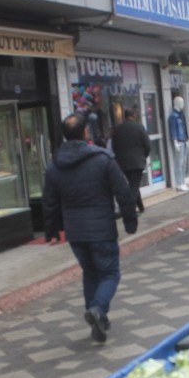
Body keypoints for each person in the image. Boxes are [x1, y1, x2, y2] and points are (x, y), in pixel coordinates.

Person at [43, 113, 137, 343]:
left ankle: (98, 321)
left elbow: (49, 201)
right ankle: (98, 310)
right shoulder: (103, 159)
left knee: (90, 273)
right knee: (109, 273)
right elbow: (123, 192)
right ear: (86, 133)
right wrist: (129, 221)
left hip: (76, 233)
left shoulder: (54, 166)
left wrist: (52, 231)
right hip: (102, 229)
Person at [110, 109, 151, 213]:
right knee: (134, 185)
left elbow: (114, 146)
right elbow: (147, 145)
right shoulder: (139, 127)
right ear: (133, 115)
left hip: (123, 162)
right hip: (137, 162)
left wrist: (119, 158)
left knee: (133, 184)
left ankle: (140, 206)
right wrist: (143, 156)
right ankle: (130, 210)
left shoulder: (117, 129)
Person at [168, 96, 189, 190]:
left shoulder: (181, 115)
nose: (183, 105)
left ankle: (183, 182)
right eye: (182, 102)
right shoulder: (173, 116)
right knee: (179, 163)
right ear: (176, 103)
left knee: (184, 162)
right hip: (179, 142)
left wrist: (187, 139)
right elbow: (172, 129)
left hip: (184, 140)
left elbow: (185, 128)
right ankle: (179, 183)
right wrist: (175, 141)